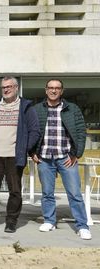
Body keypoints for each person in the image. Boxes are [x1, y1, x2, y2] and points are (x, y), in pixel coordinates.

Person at [0, 76, 39, 233]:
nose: (6, 89)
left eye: (9, 86)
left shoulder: (25, 107)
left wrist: (24, 148)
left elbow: (35, 131)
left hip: (14, 156)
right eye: (3, 87)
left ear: (16, 88)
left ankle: (11, 221)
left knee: (15, 191)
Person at [32, 79, 92, 240]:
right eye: (50, 88)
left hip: (66, 157)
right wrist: (32, 152)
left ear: (62, 91)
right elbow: (31, 131)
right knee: (47, 193)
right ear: (46, 90)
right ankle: (49, 221)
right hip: (44, 158)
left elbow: (80, 132)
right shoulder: (37, 109)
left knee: (74, 194)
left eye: (57, 88)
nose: (53, 91)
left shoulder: (72, 109)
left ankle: (82, 225)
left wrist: (76, 154)